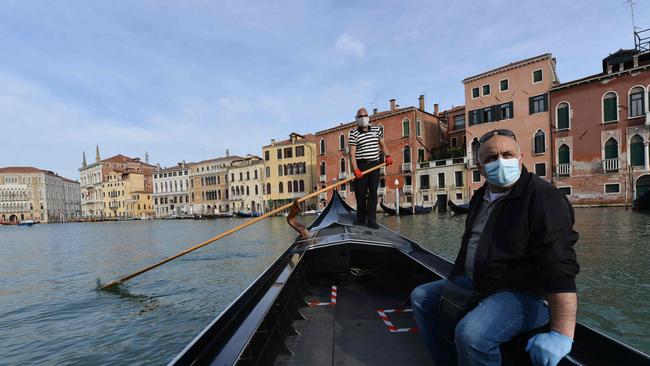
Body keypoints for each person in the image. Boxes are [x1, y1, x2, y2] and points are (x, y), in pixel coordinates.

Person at [411, 129, 579, 366]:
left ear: (521, 158)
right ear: (480, 168)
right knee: (421, 297)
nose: (500, 161)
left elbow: (559, 263)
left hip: (524, 292)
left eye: (507, 154)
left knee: (471, 335)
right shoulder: (481, 196)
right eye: (490, 158)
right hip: (478, 283)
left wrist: (561, 333)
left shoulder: (543, 196)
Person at [348, 107, 392, 229]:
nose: (363, 118)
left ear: (368, 117)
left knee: (373, 193)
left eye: (365, 115)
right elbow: (352, 153)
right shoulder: (353, 133)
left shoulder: (377, 130)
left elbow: (382, 145)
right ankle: (361, 218)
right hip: (361, 165)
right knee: (360, 194)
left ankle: (371, 219)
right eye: (360, 116)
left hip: (374, 165)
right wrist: (355, 169)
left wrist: (388, 155)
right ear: (357, 119)